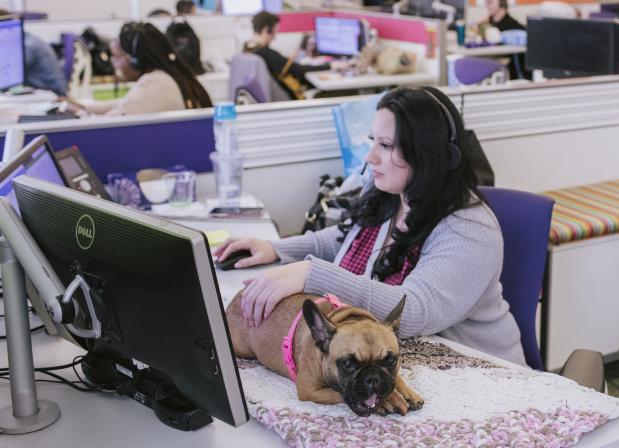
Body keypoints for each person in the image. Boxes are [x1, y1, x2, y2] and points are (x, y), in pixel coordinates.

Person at [213, 86, 526, 366]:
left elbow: (413, 311)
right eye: (372, 141)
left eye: (387, 145)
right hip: (395, 362)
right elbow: (345, 238)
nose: (371, 156)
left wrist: (312, 274)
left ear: (427, 153)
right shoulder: (391, 193)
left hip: (479, 376)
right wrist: (277, 249)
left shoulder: (469, 228)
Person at [67, 22, 212, 116]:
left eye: (116, 57)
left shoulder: (156, 85)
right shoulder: (163, 76)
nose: (113, 63)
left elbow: (113, 120)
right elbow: (123, 103)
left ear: (134, 60)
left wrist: (79, 113)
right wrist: (84, 106)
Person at [244, 11, 336, 98]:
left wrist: (287, 60)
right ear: (267, 30)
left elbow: (281, 64)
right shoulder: (266, 53)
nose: (274, 38)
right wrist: (330, 65)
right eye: (274, 33)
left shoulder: (247, 48)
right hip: (288, 99)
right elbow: (298, 70)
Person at [0, 9, 66, 95]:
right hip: (42, 92)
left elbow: (10, 76)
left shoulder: (27, 46)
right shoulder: (24, 39)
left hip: (52, 95)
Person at [166, 0, 204, 75]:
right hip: (195, 69)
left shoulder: (171, 26)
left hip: (176, 70)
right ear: (191, 9)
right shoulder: (194, 23)